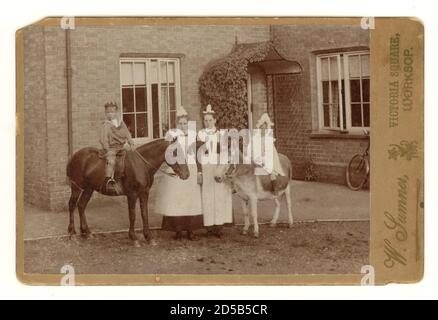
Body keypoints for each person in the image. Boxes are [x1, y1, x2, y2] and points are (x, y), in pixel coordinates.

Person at [154, 106, 204, 240]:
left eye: (185, 123)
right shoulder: (171, 134)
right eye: (180, 123)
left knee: (191, 200)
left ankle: (191, 230)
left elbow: (198, 155)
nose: (183, 126)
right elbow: (167, 153)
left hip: (191, 168)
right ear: (176, 124)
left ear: (188, 123)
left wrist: (199, 172)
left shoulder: (193, 135)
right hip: (177, 170)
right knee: (177, 200)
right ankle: (178, 231)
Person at [198, 104, 233, 238]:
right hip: (206, 166)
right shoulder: (200, 135)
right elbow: (197, 153)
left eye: (210, 120)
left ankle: (219, 226)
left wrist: (222, 168)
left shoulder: (221, 134)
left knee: (219, 195)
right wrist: (200, 172)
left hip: (218, 166)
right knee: (207, 195)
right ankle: (209, 227)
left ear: (215, 120)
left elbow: (225, 153)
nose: (207, 122)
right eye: (205, 120)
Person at [99, 102, 135, 194]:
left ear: (116, 112)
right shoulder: (106, 125)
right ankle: (108, 179)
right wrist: (107, 148)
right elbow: (103, 138)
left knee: (131, 158)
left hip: (122, 146)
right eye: (107, 112)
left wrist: (131, 142)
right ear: (105, 114)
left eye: (112, 112)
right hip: (112, 148)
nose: (110, 114)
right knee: (111, 161)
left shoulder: (120, 123)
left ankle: (129, 178)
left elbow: (126, 133)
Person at [253, 113, 289, 195]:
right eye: (261, 128)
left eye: (264, 129)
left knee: (271, 170)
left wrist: (264, 157)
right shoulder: (257, 138)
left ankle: (275, 187)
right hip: (260, 155)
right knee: (253, 166)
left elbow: (269, 150)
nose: (262, 130)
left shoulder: (268, 138)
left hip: (269, 155)